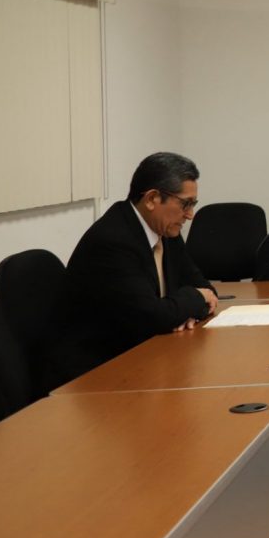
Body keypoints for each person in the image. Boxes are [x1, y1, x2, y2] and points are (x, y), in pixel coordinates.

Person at [48, 152, 218, 386]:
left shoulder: (167, 229)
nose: (190, 215)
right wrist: (192, 301)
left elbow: (205, 288)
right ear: (152, 199)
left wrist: (184, 310)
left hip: (142, 353)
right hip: (94, 374)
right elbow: (153, 317)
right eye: (185, 204)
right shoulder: (112, 242)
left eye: (193, 204)